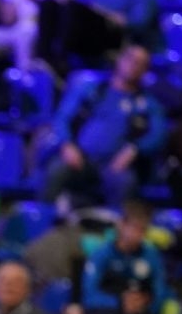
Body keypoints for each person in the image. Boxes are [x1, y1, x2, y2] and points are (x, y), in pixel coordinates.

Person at [39, 44, 166, 213]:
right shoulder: (91, 89)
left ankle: (116, 233)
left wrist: (135, 149)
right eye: (131, 59)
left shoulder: (147, 103)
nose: (134, 65)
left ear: (145, 71)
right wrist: (67, 145)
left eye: (140, 63)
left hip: (115, 165)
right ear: (120, 60)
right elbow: (62, 117)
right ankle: (43, 223)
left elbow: (158, 134)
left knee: (125, 182)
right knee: (56, 170)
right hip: (81, 159)